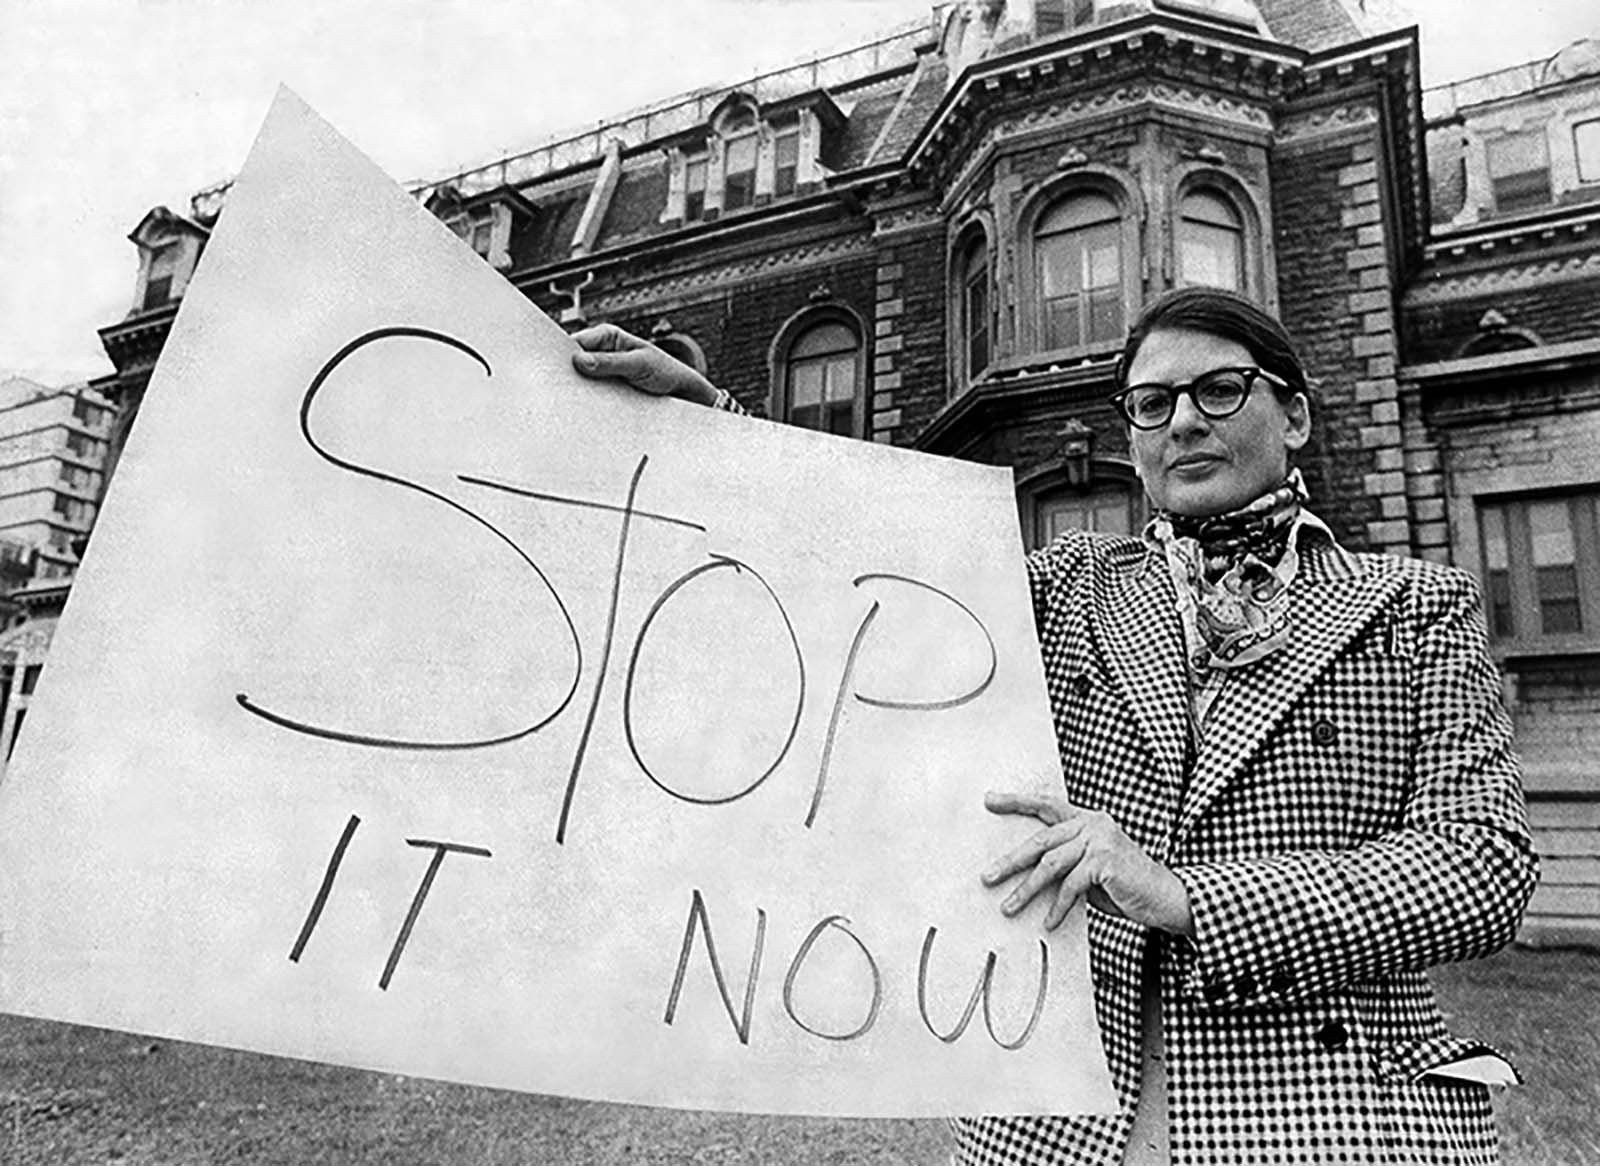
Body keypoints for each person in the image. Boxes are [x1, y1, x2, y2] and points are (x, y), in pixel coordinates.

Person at [570, 287, 1539, 1165]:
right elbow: (857, 568)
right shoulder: (1066, 586)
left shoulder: (1414, 603)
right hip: (1063, 1122)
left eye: (1220, 388)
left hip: (1336, 1115)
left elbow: (1481, 865)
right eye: (1151, 403)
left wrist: (1183, 894)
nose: (1184, 420)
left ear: (1292, 413)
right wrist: (715, 433)